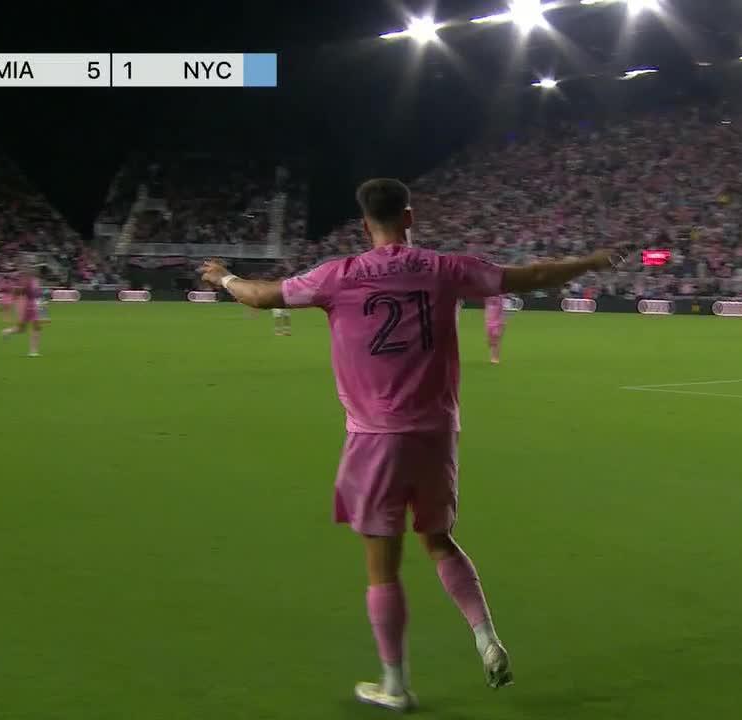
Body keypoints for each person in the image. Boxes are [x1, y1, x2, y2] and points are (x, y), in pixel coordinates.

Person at [200, 178, 616, 712]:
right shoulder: (445, 269)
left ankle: (394, 685)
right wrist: (593, 261)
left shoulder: (338, 275)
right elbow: (532, 276)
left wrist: (223, 275)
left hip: (374, 437)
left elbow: (260, 296)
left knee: (383, 568)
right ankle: (485, 635)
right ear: (410, 217)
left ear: (364, 224)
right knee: (440, 540)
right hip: (436, 434)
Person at [1, 265, 44, 357]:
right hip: (29, 305)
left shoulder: (35, 280)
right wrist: (16, 302)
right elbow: (20, 292)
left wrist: (42, 305)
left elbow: (38, 294)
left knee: (33, 327)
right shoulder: (27, 281)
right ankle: (7, 332)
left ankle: (33, 351)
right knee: (24, 328)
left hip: (37, 304)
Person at [484, 295, 506, 364]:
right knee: (490, 342)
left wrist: (502, 322)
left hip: (498, 322)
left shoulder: (500, 300)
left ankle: (495, 358)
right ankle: (492, 356)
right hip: (489, 322)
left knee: (496, 340)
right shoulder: (488, 300)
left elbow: (502, 311)